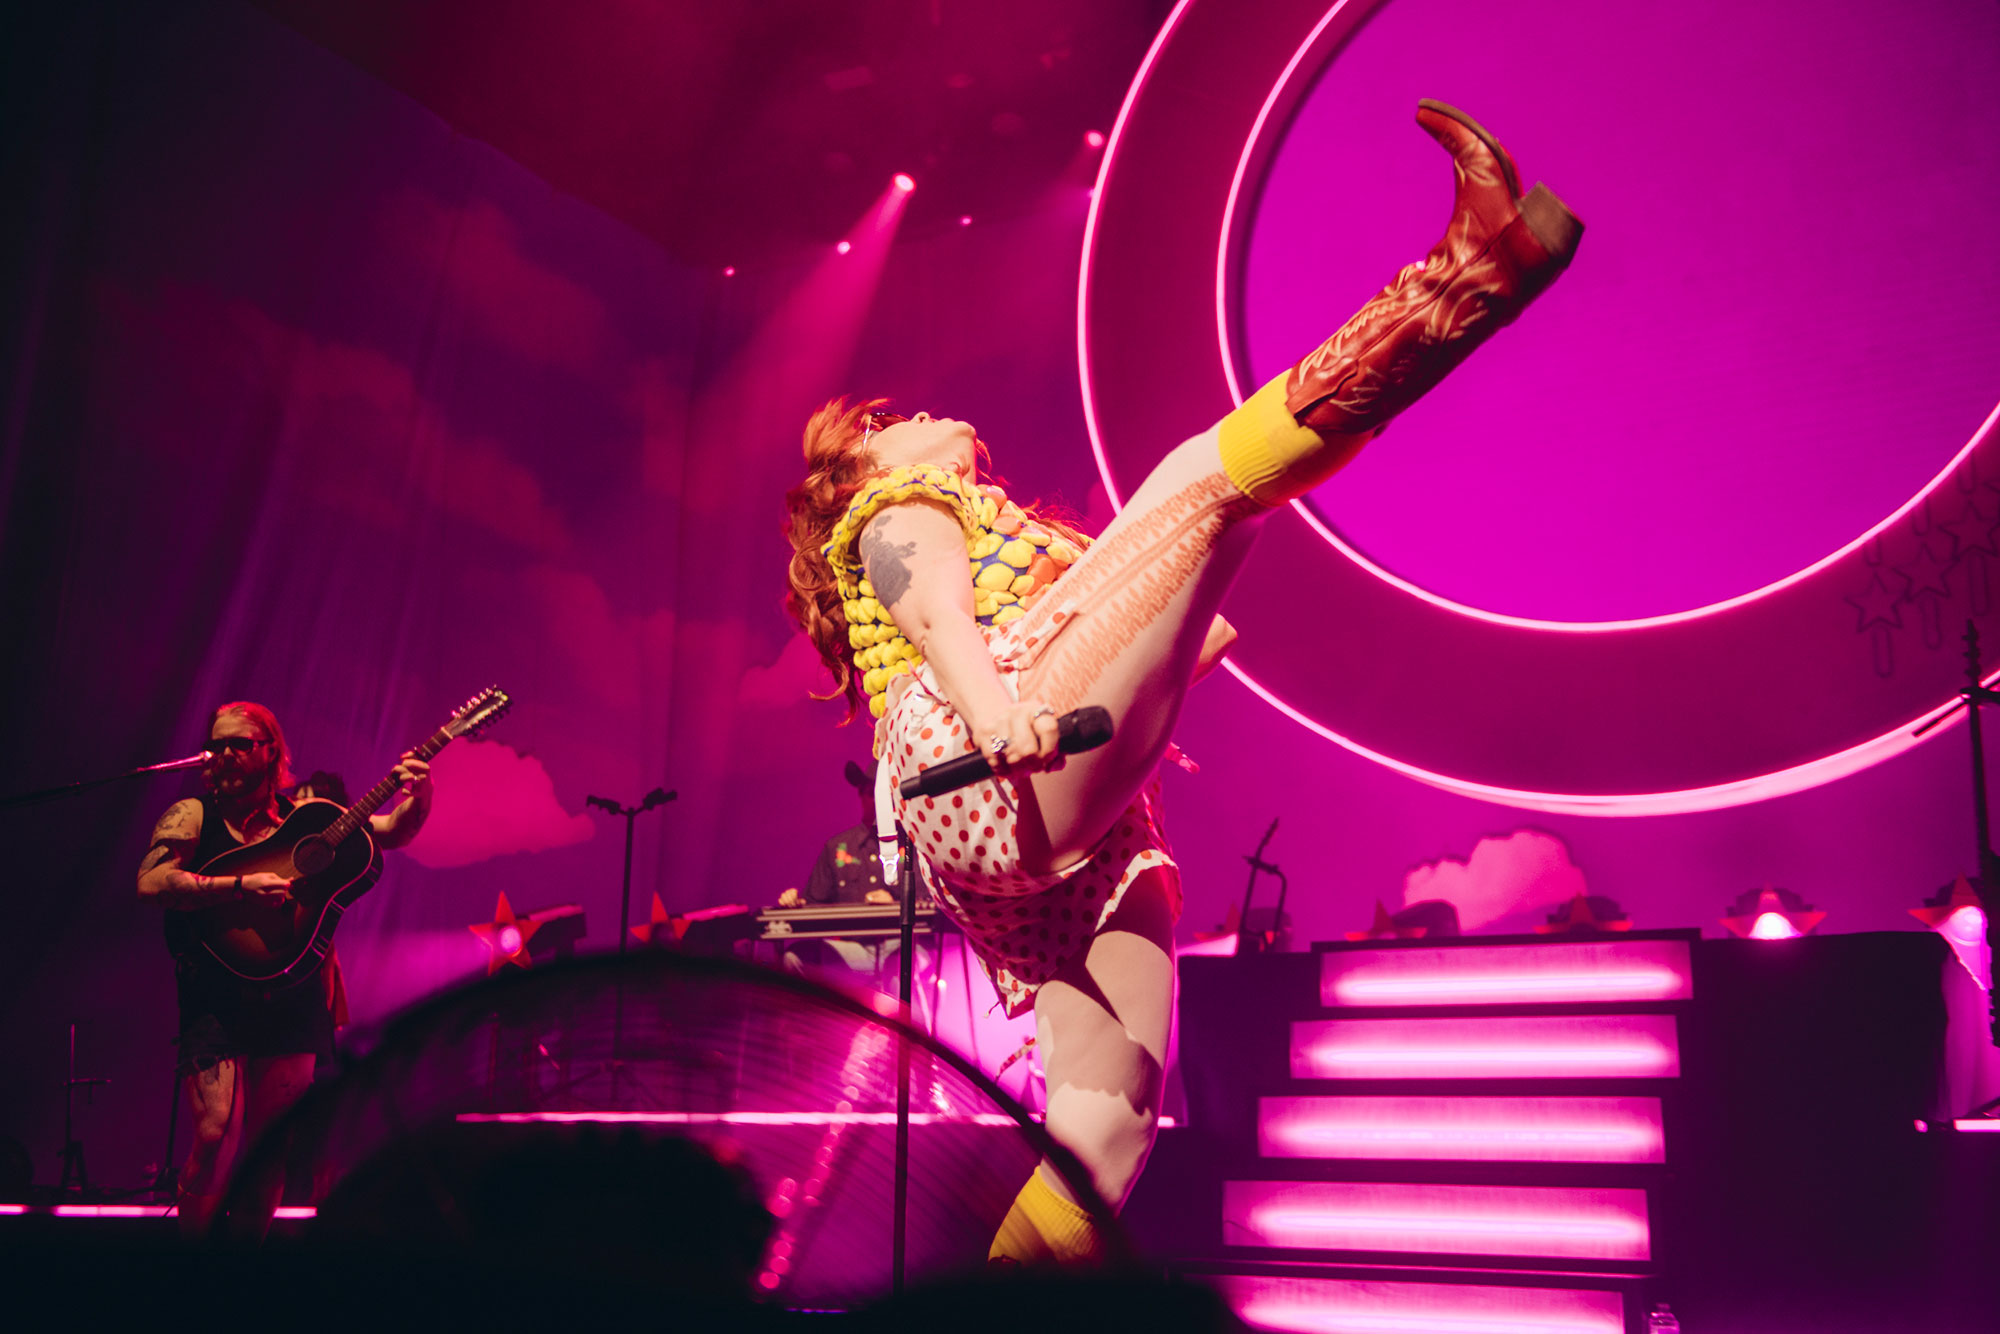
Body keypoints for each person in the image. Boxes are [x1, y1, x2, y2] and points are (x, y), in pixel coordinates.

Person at [783, 100, 1581, 1264]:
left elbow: (1161, 634)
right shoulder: (895, 506)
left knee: (1105, 1125)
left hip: (1052, 813)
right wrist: (1000, 713)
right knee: (1198, 483)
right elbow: (936, 614)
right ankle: (1472, 271)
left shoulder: (1014, 532)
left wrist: (1152, 639)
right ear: (858, 474)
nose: (924, 418)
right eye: (892, 422)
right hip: (976, 747)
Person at [136, 700, 434, 1235]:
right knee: (214, 1133)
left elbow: (391, 831)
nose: (225, 754)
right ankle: (191, 1266)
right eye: (217, 744)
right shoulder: (193, 814)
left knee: (270, 1149)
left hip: (293, 993)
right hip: (216, 993)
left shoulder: (303, 817)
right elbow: (151, 882)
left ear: (270, 750)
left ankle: (245, 1270)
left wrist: (421, 795)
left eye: (240, 744)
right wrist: (238, 886)